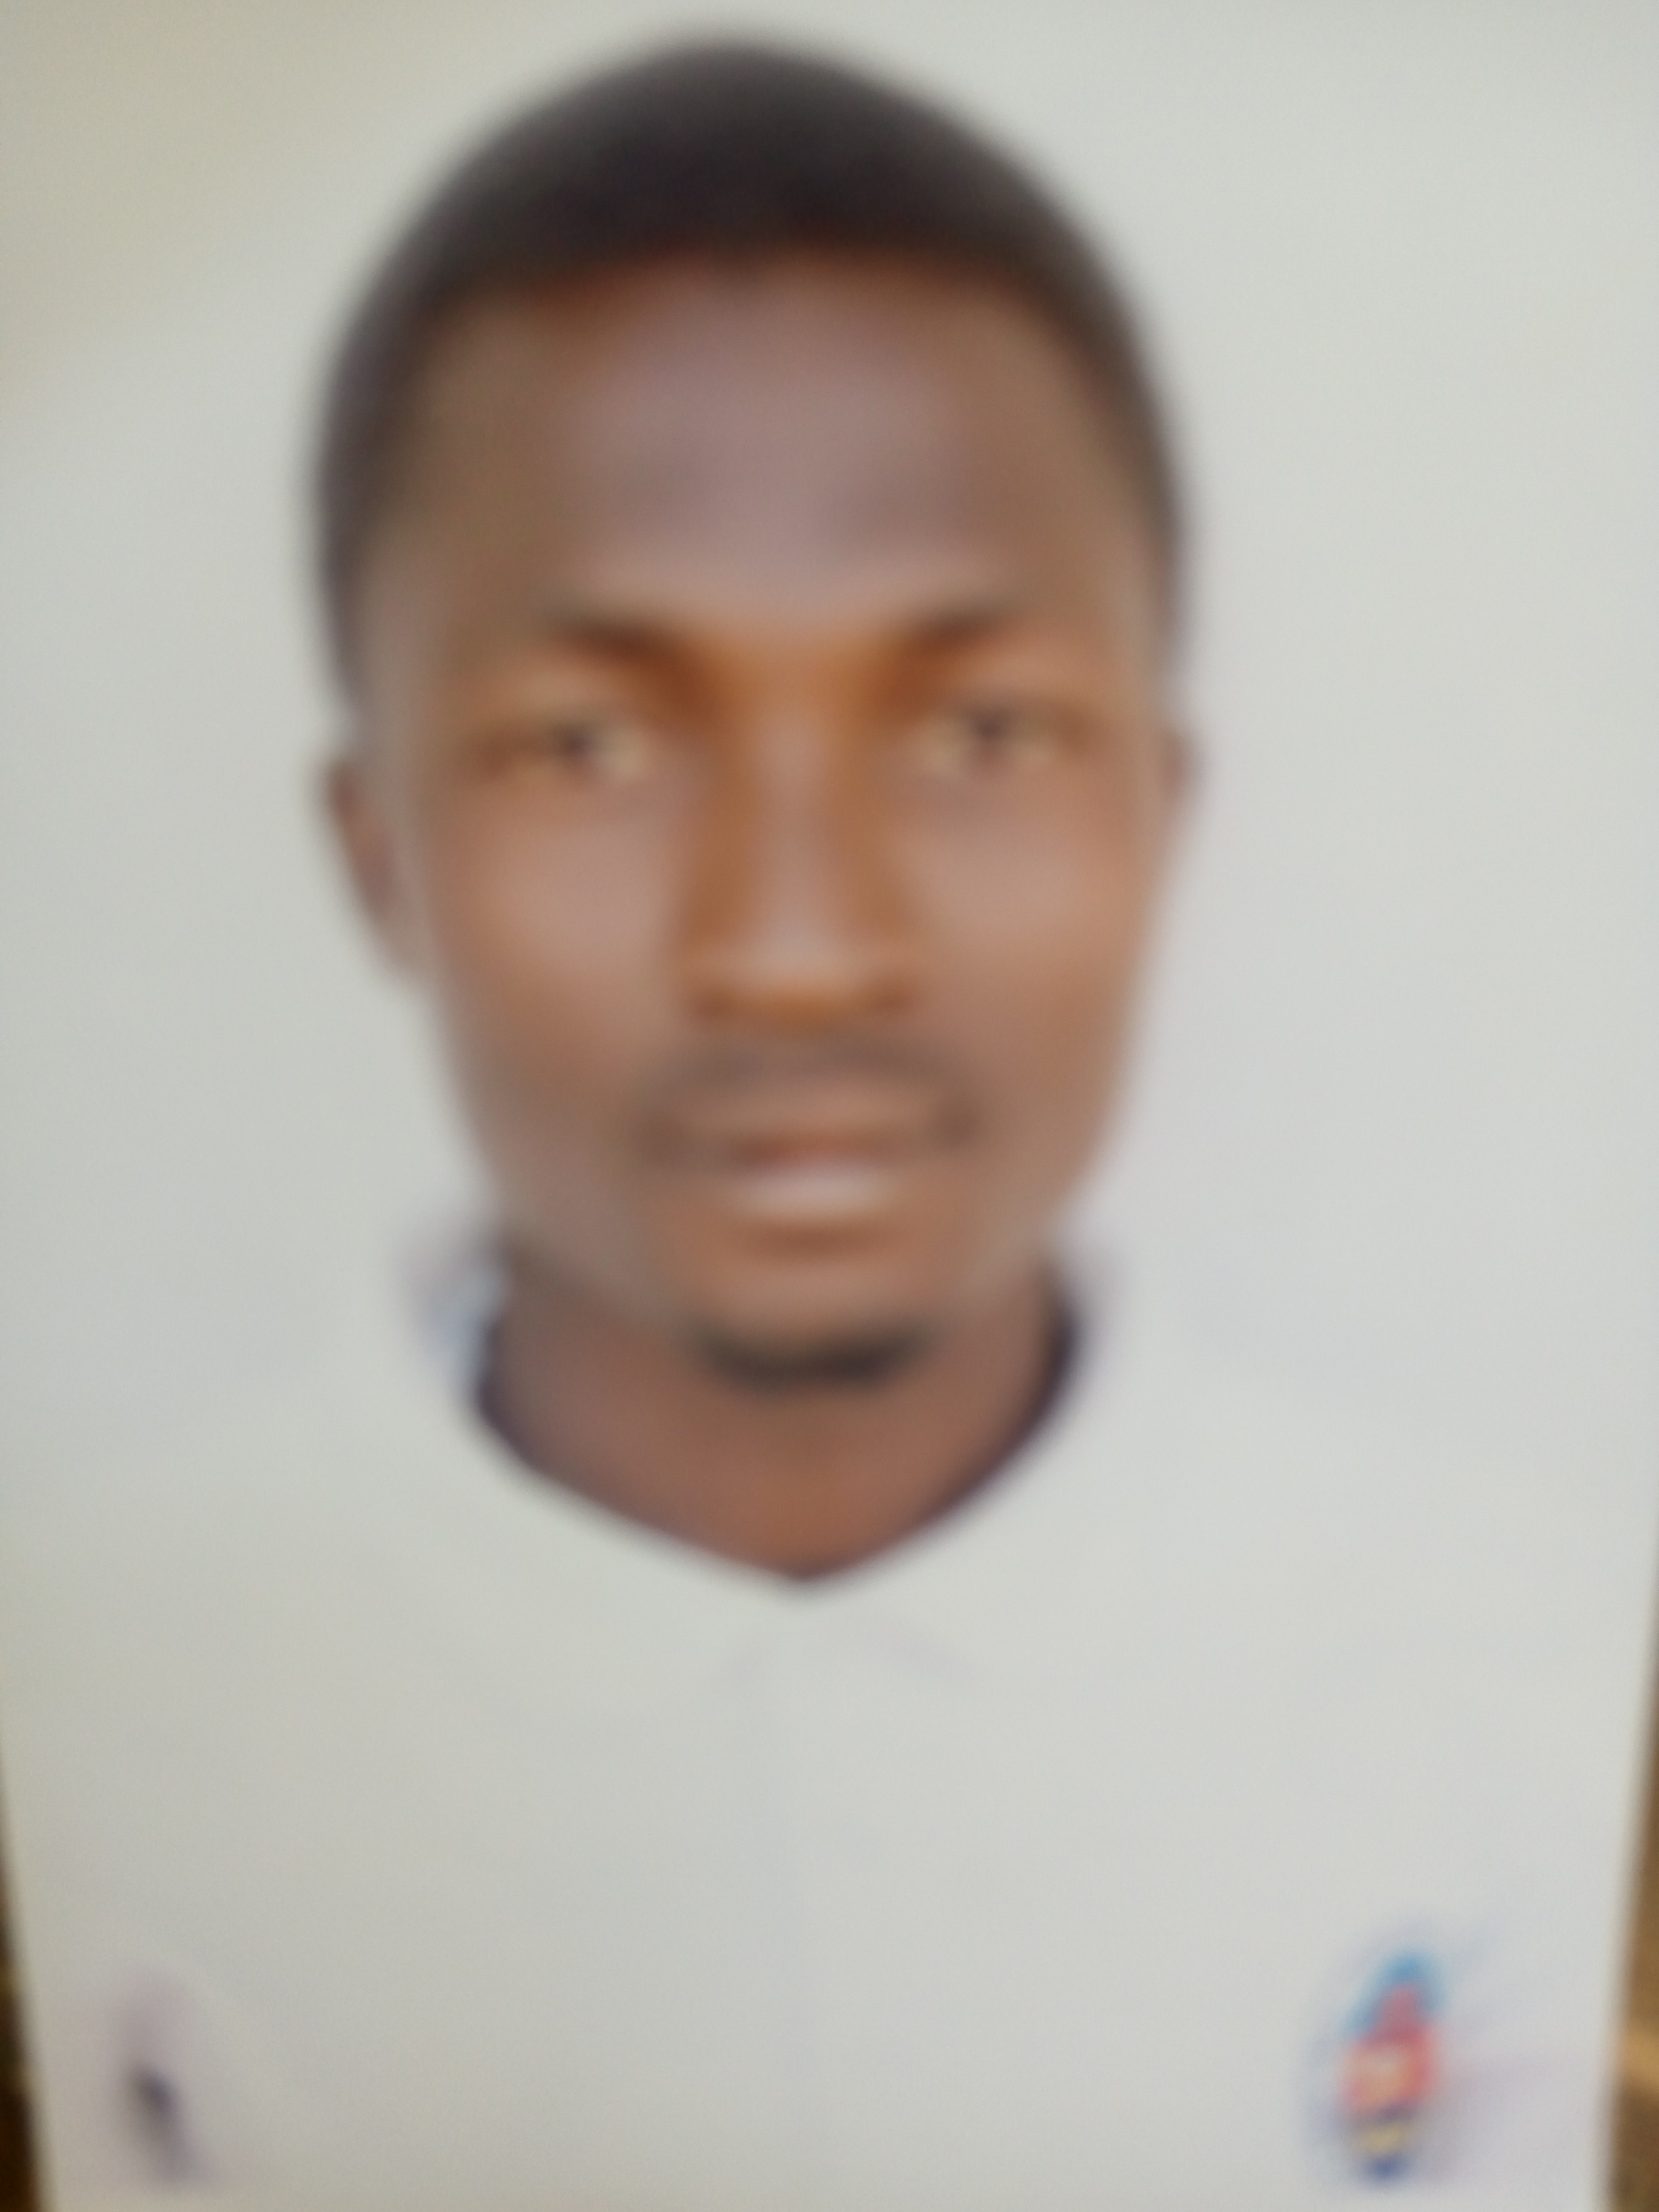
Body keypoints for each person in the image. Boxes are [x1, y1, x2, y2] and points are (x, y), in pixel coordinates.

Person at [0, 40, 1631, 2211]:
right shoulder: (80, 1720)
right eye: (588, 747)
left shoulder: (1537, 1684)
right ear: (375, 849)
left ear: (1162, 810)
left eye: (983, 732)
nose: (793, 950)